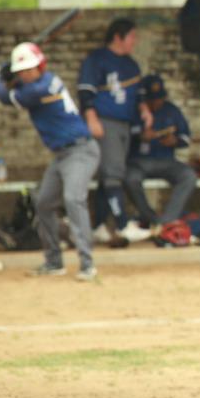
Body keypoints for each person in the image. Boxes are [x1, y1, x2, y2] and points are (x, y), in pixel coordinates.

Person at [0, 42, 100, 281]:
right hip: (62, 155)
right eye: (22, 71)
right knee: (43, 205)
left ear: (40, 66)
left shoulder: (39, 88)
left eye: (30, 69)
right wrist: (6, 72)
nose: (26, 74)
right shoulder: (35, 83)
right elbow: (16, 85)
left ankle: (87, 265)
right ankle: (54, 261)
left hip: (81, 151)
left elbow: (5, 96)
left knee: (73, 199)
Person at [77, 17, 143, 245]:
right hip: (105, 121)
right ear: (118, 37)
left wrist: (144, 111)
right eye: (132, 36)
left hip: (124, 124)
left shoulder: (131, 64)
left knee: (110, 174)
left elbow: (139, 94)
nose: (135, 41)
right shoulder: (97, 60)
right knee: (113, 173)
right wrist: (91, 116)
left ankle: (98, 227)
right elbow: (85, 90)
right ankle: (123, 225)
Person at [123, 74, 197, 232]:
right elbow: (119, 139)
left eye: (159, 98)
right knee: (130, 178)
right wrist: (139, 137)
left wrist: (175, 141)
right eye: (152, 99)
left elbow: (186, 137)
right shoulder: (132, 111)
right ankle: (150, 218)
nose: (157, 102)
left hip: (166, 161)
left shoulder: (171, 110)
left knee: (188, 175)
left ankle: (167, 221)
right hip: (138, 162)